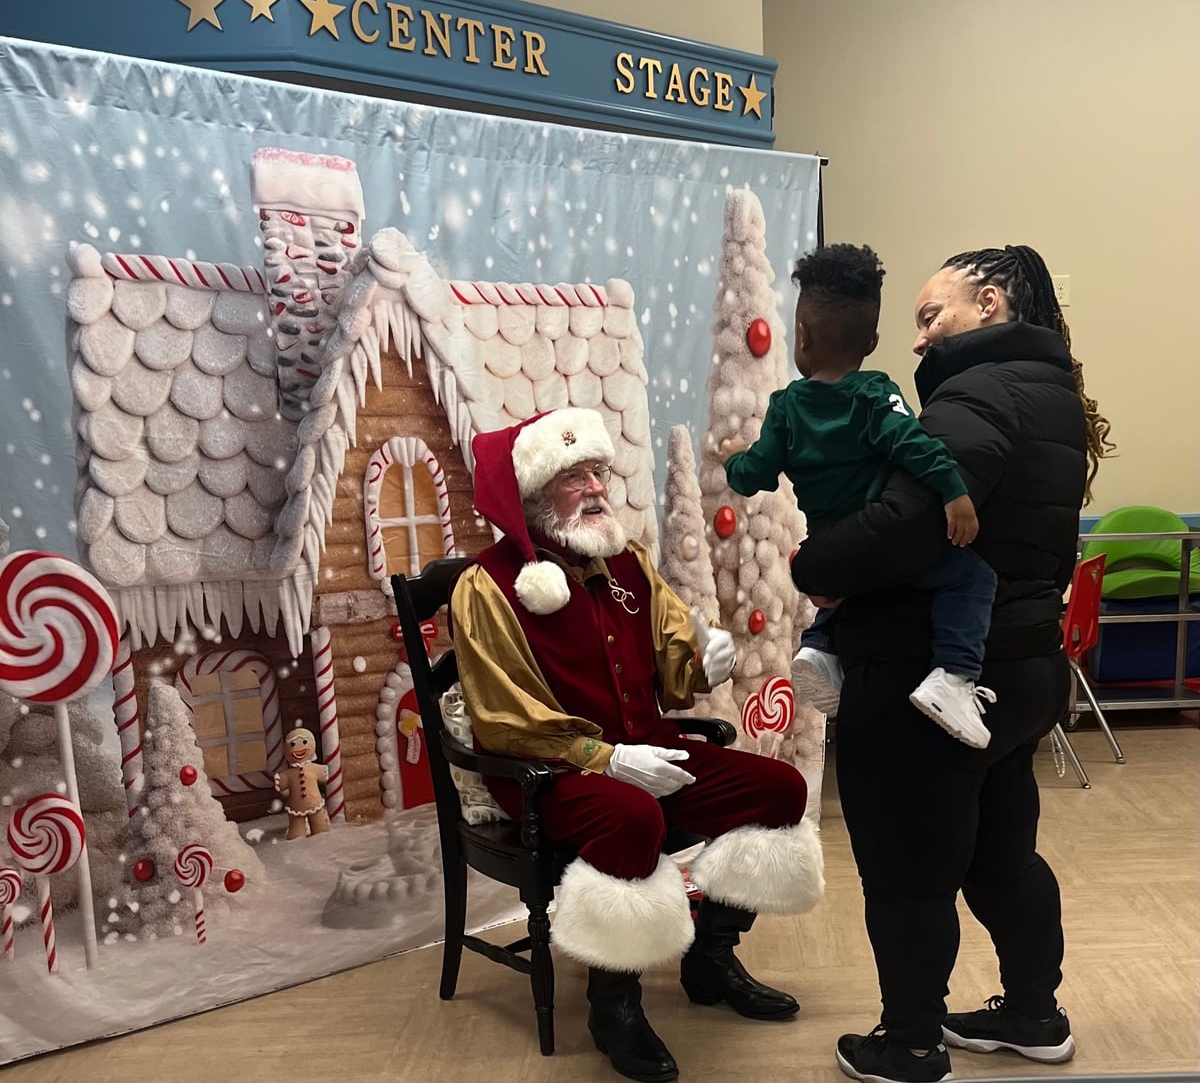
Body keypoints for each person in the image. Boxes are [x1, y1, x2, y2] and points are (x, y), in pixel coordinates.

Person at [790, 244, 1114, 1083]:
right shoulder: (1050, 395)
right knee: (1002, 853)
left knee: (907, 872)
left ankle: (910, 1044)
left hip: (922, 682)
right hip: (1015, 673)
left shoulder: (979, 394)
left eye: (932, 317)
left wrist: (815, 564)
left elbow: (907, 524)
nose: (920, 341)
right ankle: (1034, 1013)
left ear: (993, 302)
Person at [449, 406, 825, 1083]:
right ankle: (613, 1001)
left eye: (597, 471)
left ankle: (710, 958)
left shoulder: (626, 563)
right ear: (535, 495)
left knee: (781, 789)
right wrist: (608, 759)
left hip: (647, 748)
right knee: (634, 816)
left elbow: (674, 663)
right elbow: (504, 718)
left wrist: (702, 661)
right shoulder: (488, 587)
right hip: (548, 770)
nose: (596, 487)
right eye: (574, 477)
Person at [722, 244, 996, 748]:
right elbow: (915, 444)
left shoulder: (785, 408)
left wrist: (734, 458)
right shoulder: (874, 393)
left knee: (845, 582)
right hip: (876, 535)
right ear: (871, 340)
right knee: (972, 576)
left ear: (800, 337)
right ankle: (954, 676)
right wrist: (954, 492)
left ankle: (819, 646)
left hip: (829, 541)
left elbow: (752, 475)